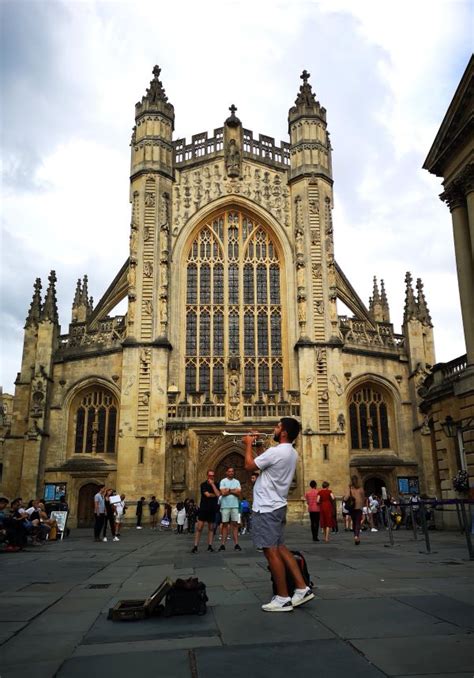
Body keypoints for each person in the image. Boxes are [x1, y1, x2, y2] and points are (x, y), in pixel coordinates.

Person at [244, 417, 314, 612]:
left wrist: (248, 445)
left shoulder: (276, 452)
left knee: (271, 551)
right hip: (277, 505)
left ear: (283, 432)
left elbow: (249, 466)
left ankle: (283, 597)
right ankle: (301, 588)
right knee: (280, 547)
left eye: (277, 426)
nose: (273, 429)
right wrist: (258, 445)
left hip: (266, 507)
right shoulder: (290, 452)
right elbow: (262, 464)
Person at [191, 470, 220, 553]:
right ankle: (195, 546)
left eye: (213, 475)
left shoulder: (216, 484)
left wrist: (212, 485)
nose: (212, 477)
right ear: (207, 476)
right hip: (204, 508)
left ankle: (210, 546)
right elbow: (207, 494)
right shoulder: (203, 485)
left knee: (211, 528)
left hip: (212, 509)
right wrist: (213, 494)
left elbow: (218, 494)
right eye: (210, 475)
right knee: (199, 528)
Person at [219, 467, 242, 552]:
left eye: (232, 471)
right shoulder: (223, 481)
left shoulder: (237, 481)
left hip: (235, 505)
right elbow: (223, 493)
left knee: (235, 525)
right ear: (226, 472)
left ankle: (236, 544)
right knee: (224, 525)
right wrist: (233, 491)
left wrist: (228, 490)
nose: (231, 473)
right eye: (229, 471)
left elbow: (239, 493)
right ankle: (222, 544)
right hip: (225, 506)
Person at [344, 475, 366, 545]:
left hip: (352, 507)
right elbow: (363, 497)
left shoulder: (350, 488)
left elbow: (346, 497)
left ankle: (355, 536)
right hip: (359, 507)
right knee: (358, 522)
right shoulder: (360, 488)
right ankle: (357, 536)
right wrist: (362, 504)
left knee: (354, 522)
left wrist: (344, 499)